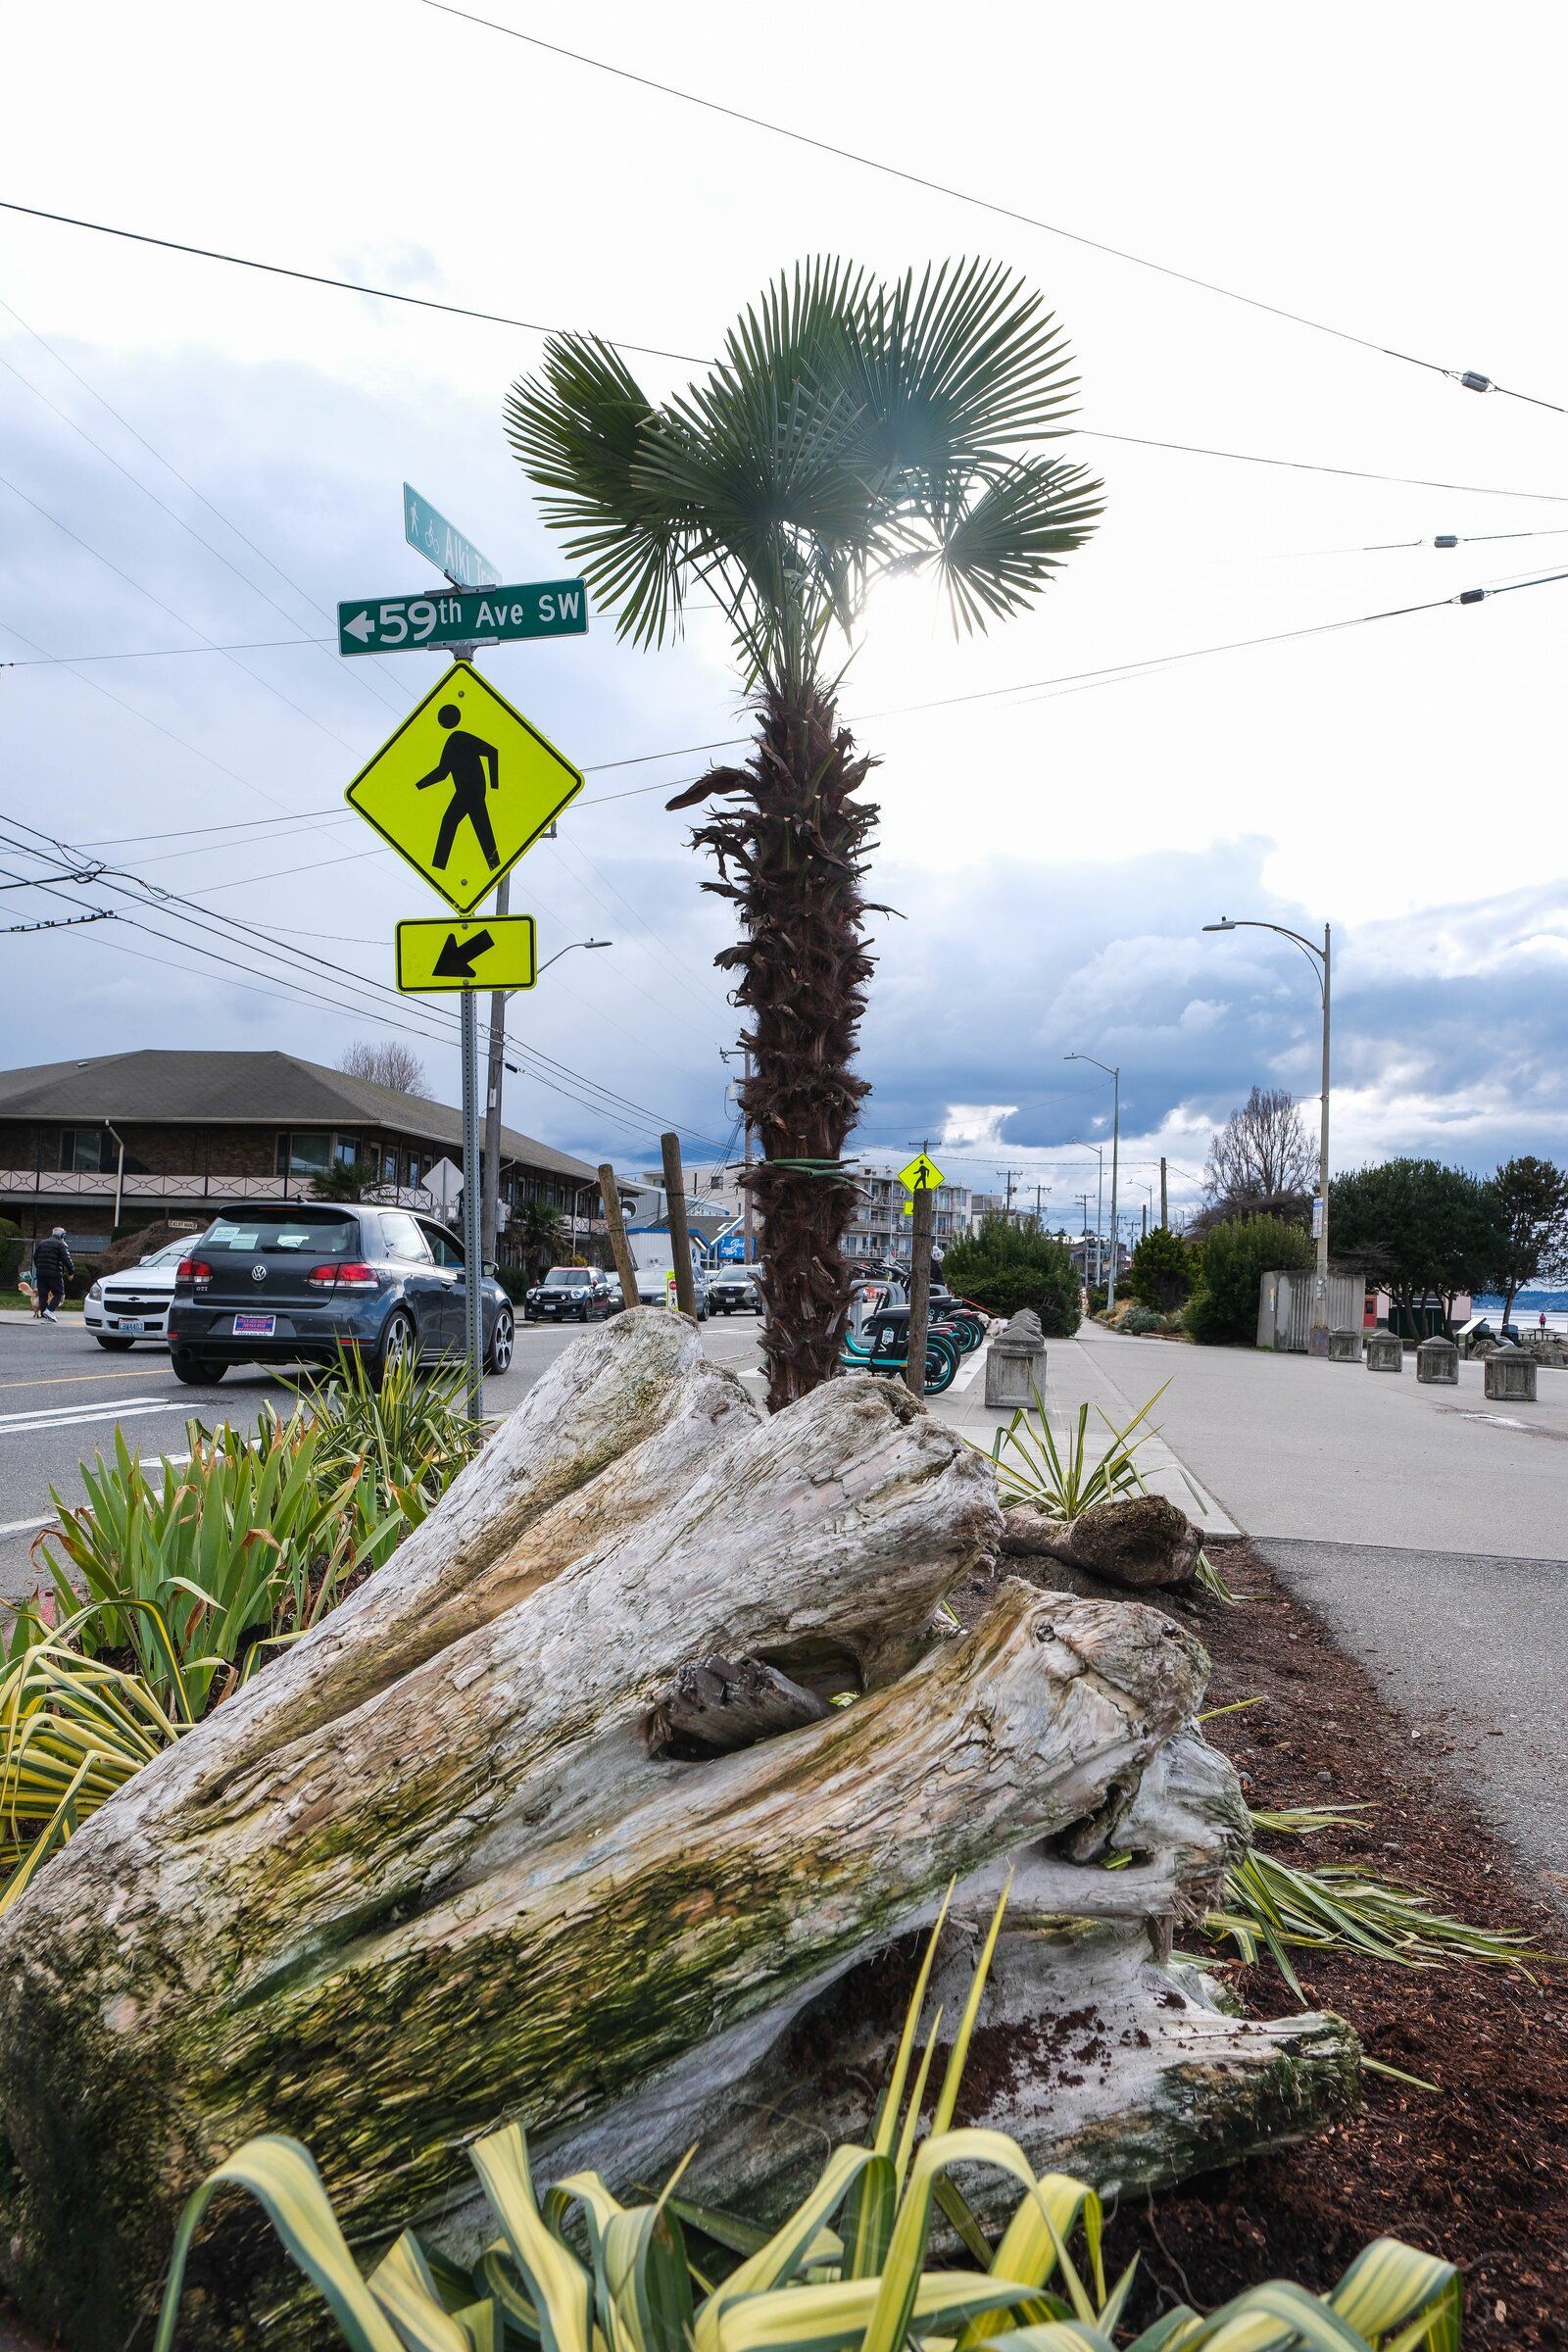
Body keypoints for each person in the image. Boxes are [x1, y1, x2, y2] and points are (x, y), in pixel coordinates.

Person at [415, 704, 501, 872]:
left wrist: (494, 785)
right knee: (482, 829)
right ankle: (494, 866)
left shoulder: (459, 738)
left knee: (450, 822)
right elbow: (442, 772)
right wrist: (418, 786)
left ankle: (438, 867)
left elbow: (493, 752)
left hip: (471, 791)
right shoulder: (452, 742)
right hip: (467, 791)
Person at [31, 1226, 74, 1323]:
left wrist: (40, 1268)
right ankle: (49, 1311)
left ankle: (44, 1314)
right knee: (59, 1293)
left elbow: (35, 1257)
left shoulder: (42, 1243)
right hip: (54, 1273)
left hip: (41, 1273)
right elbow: (67, 1259)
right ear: (62, 1235)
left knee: (43, 1294)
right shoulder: (61, 1244)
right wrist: (71, 1272)